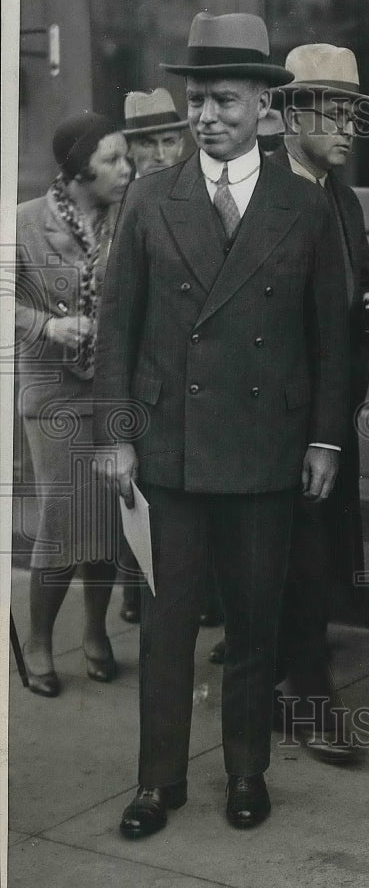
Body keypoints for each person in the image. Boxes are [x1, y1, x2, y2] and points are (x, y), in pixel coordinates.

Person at [93, 12, 350, 839]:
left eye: (225, 100)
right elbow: (116, 329)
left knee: (252, 626)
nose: (206, 115)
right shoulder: (148, 196)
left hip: (268, 455)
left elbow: (328, 338)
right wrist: (116, 434)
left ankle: (246, 772)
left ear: (265, 106)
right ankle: (156, 780)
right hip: (169, 451)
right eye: (197, 99)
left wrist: (323, 438)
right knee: (167, 630)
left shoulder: (302, 207)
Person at [263, 43, 369, 761]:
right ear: (290, 111)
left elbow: (347, 300)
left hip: (334, 408)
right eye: (335, 111)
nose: (349, 126)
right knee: (293, 553)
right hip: (277, 413)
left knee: (316, 553)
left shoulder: (340, 196)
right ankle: (304, 694)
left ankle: (292, 674)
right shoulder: (262, 189)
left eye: (353, 112)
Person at [15, 111, 131, 696]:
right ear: (79, 168)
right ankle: (38, 640)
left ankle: (94, 631)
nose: (126, 169)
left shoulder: (128, 219)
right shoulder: (25, 223)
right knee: (63, 523)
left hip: (111, 392)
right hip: (54, 397)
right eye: (112, 159)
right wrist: (45, 328)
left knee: (107, 521)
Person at [118, 87, 190, 624]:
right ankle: (135, 590)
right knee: (130, 494)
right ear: (131, 150)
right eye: (150, 144)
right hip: (132, 375)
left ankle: (180, 592)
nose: (163, 155)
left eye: (171, 141)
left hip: (177, 373)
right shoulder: (127, 203)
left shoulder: (187, 197)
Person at [122, 88, 188, 178]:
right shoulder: (122, 192)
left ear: (180, 146)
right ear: (128, 148)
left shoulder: (196, 190)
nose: (160, 156)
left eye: (169, 142)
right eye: (147, 143)